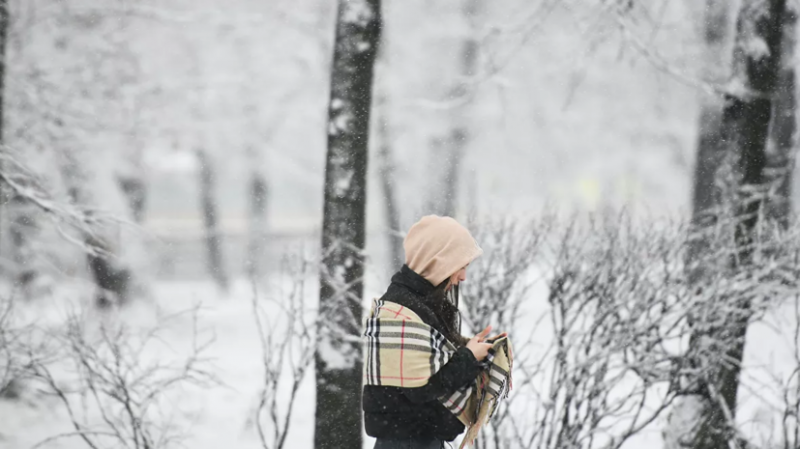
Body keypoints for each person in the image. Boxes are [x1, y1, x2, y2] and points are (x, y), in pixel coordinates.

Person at [363, 215, 507, 449]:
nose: (463, 277)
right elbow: (423, 388)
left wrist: (470, 348)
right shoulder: (401, 312)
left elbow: (429, 368)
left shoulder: (420, 303)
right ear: (439, 261)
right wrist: (469, 357)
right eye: (461, 266)